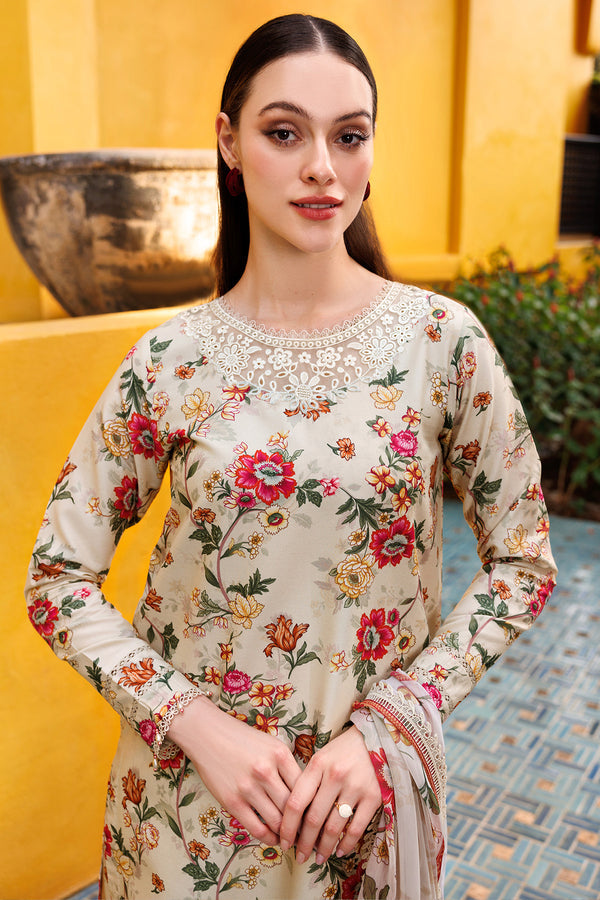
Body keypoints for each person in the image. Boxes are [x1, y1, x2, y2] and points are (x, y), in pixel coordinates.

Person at [25, 14, 557, 900]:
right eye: (284, 133)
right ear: (229, 142)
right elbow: (57, 580)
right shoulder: (170, 362)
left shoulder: (441, 343)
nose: (322, 167)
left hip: (364, 813)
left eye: (349, 136)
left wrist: (397, 720)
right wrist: (195, 725)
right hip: (187, 817)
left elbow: (524, 562)